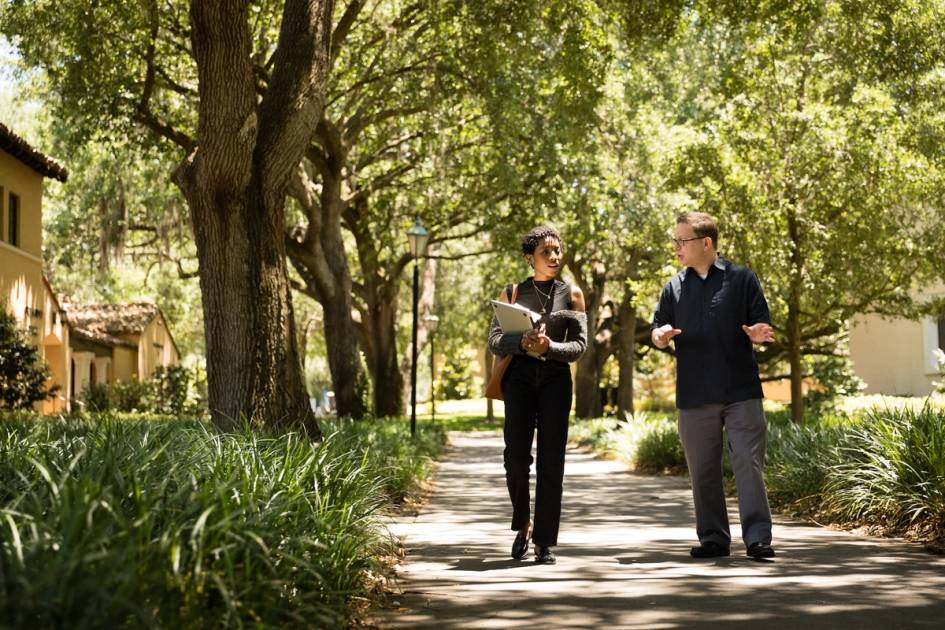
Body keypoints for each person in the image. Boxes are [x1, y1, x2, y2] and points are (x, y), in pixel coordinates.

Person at [651, 212, 777, 560]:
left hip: (740, 391)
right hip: (694, 394)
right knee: (703, 470)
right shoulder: (673, 288)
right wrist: (659, 336)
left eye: (682, 241)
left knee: (748, 464)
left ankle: (757, 540)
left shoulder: (742, 278)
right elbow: (658, 328)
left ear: (706, 243)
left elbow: (761, 322)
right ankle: (714, 538)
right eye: (674, 240)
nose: (676, 247)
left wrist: (758, 332)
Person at [488, 226, 587, 565]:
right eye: (547, 251)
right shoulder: (513, 292)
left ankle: (545, 539)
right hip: (519, 380)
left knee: (551, 462)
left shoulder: (572, 295)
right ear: (531, 258)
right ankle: (523, 524)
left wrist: (550, 346)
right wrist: (522, 342)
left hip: (556, 381)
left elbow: (579, 346)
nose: (555, 256)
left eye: (558, 250)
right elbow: (495, 340)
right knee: (516, 458)